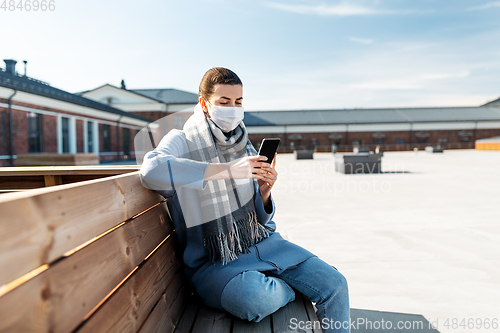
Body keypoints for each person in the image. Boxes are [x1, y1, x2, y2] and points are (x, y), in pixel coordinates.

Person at [139, 67, 350, 332]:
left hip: (264, 245)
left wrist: (264, 191)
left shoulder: (242, 143)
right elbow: (151, 170)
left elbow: (258, 218)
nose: (232, 109)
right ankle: (290, 288)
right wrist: (228, 170)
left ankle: (287, 280)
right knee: (255, 300)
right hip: (215, 262)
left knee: (335, 284)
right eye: (224, 102)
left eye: (238, 102)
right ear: (204, 104)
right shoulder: (182, 140)